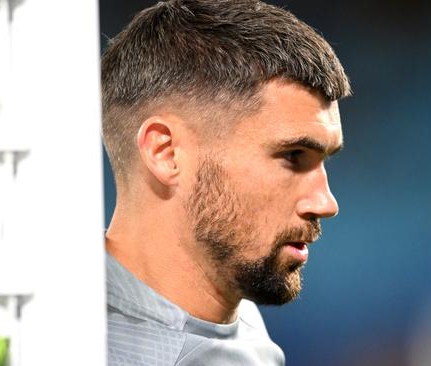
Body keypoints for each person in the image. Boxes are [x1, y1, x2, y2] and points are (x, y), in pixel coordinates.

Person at [101, 0, 351, 365]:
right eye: (293, 156)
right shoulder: (53, 340)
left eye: (322, 161)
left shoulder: (240, 316)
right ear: (165, 152)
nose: (326, 203)